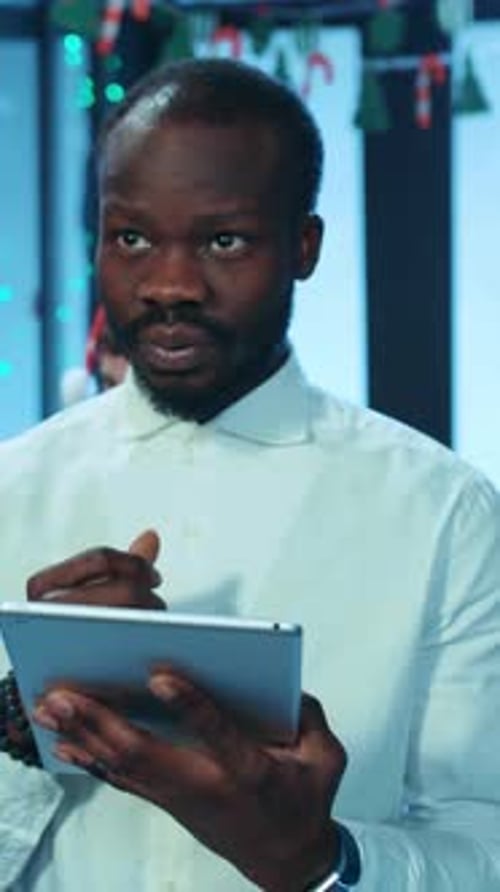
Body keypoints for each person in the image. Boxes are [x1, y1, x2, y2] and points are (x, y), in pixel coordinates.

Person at [0, 57, 499, 892]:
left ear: (304, 247)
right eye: (131, 238)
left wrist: (322, 862)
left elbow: (487, 843)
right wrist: (22, 719)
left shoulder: (448, 513)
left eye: (223, 240)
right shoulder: (10, 491)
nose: (169, 285)